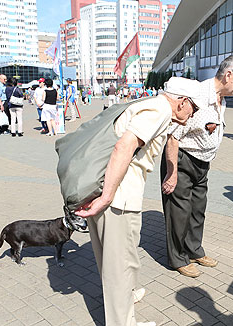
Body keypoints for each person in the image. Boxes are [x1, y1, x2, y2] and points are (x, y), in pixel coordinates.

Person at [74, 77, 204, 326]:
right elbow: (123, 147)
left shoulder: (151, 104)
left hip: (114, 193)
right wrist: (108, 197)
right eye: (194, 108)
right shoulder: (159, 110)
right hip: (118, 198)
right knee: (118, 268)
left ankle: (126, 297)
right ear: (182, 102)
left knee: (120, 260)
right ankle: (122, 322)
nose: (193, 114)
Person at [161, 55, 233, 278]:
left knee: (198, 210)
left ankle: (193, 250)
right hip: (181, 160)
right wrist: (171, 174)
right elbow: (172, 137)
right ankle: (177, 258)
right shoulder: (198, 95)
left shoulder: (221, 98)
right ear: (228, 75)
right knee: (179, 212)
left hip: (202, 163)